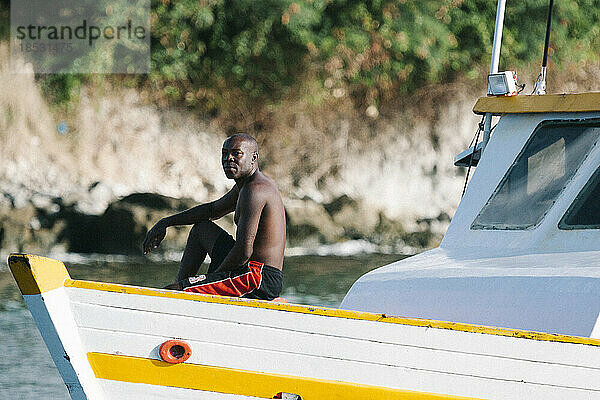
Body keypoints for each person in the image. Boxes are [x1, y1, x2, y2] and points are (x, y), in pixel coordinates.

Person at [143, 134, 286, 300]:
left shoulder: (255, 190)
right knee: (201, 229)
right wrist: (166, 222)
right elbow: (212, 210)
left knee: (172, 291)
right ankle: (185, 286)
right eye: (224, 153)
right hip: (248, 269)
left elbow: (244, 250)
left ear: (254, 158)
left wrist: (214, 278)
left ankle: (183, 290)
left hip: (259, 279)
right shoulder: (244, 187)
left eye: (236, 153)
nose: (228, 159)